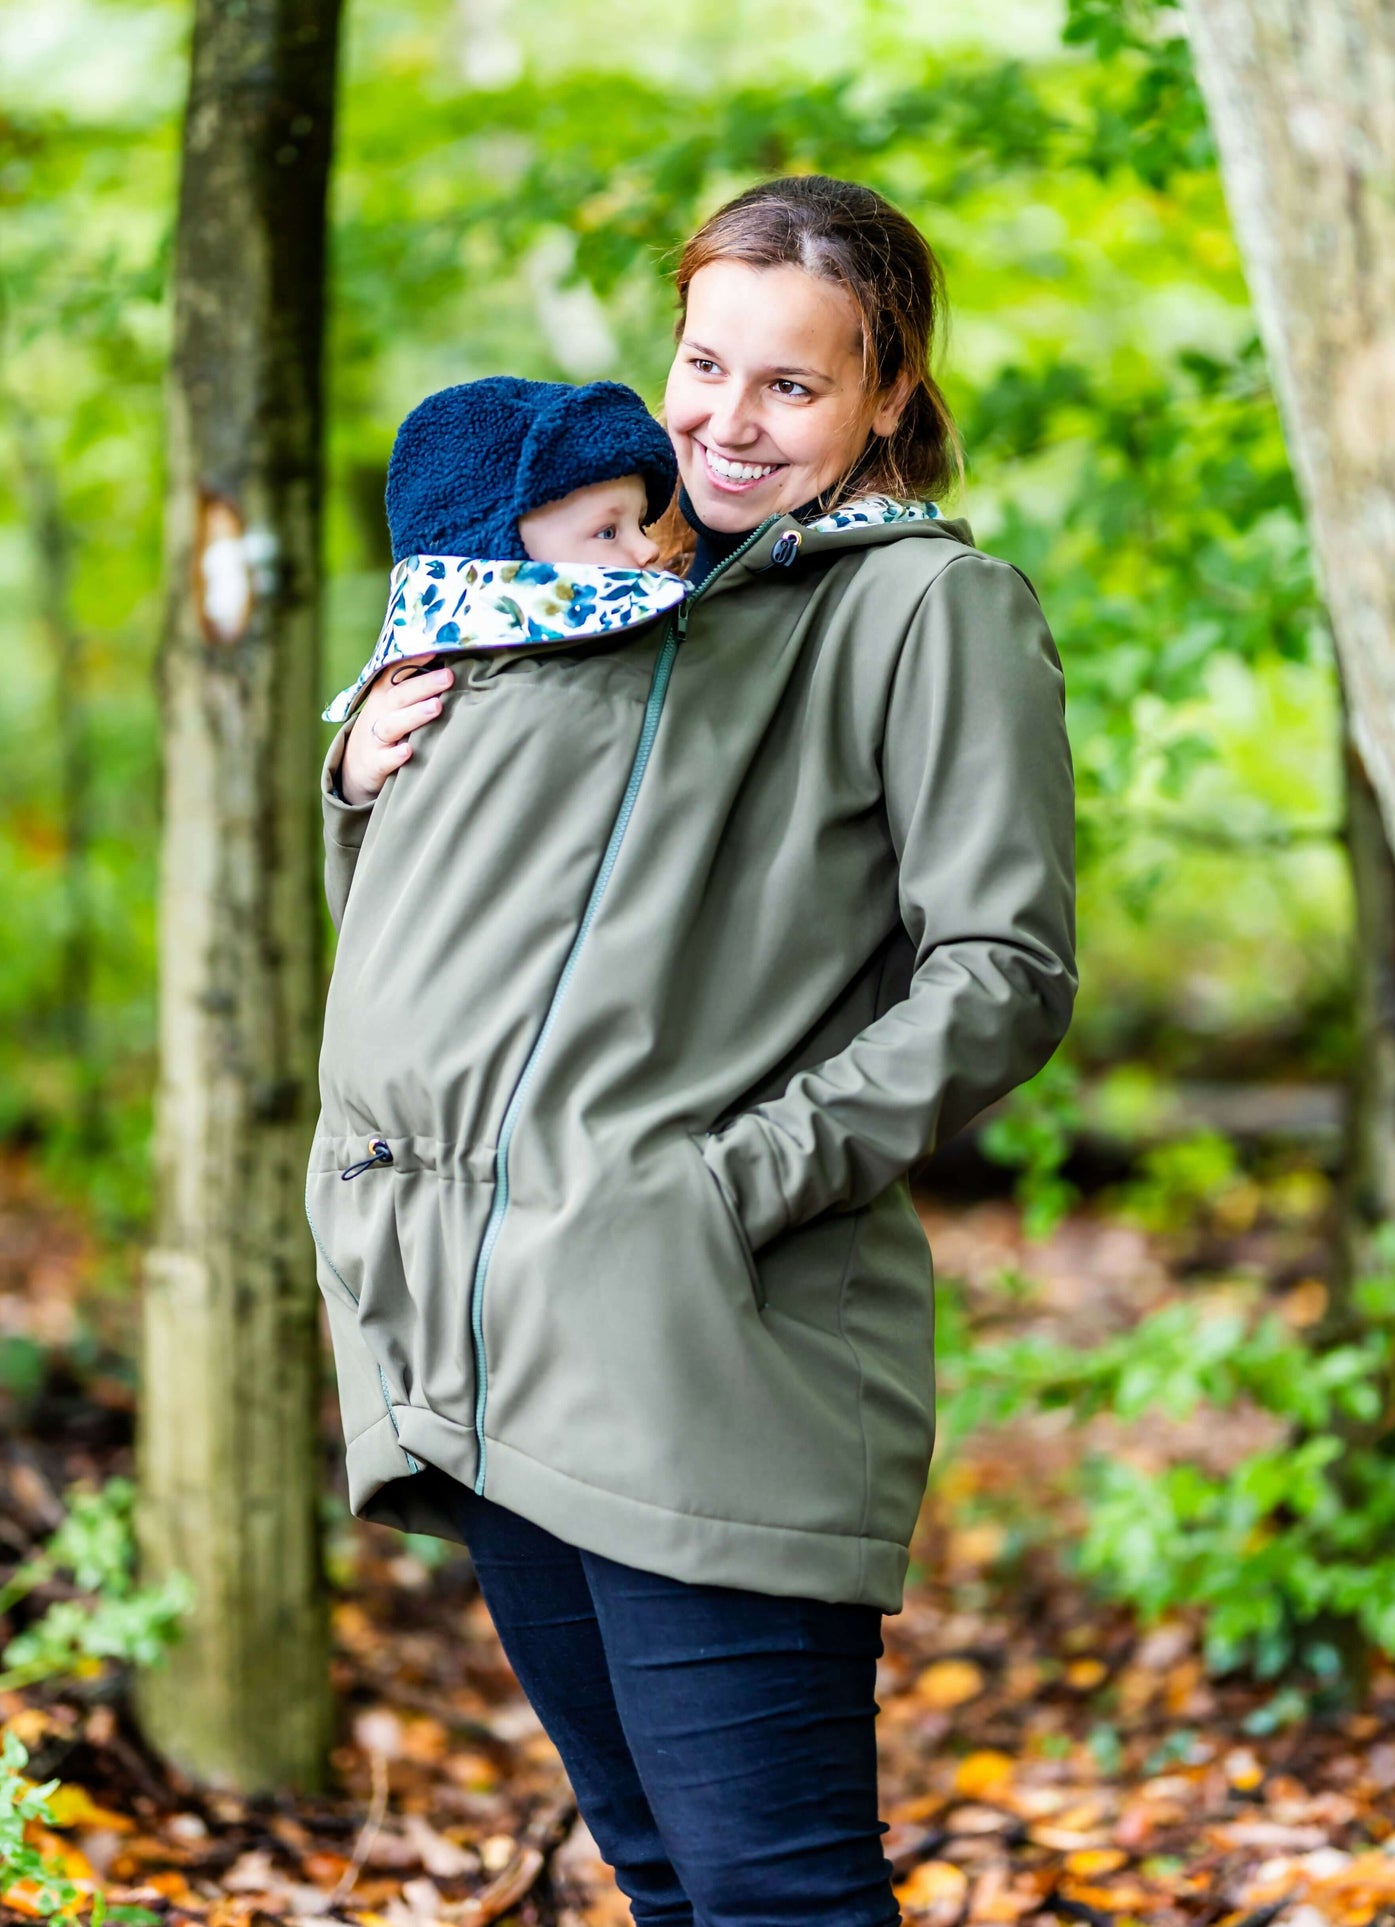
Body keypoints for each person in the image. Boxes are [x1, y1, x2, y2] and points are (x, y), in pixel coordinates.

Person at [307, 174, 1077, 1926]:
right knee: (659, 1870)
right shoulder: (595, 579)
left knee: (772, 1889)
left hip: (713, 1329)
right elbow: (494, 918)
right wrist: (363, 778)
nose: (729, 424)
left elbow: (1005, 967)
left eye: (793, 386)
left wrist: (729, 1185)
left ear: (888, 394)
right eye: (703, 368)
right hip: (486, 1316)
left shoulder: (921, 612)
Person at [324, 374, 682, 804]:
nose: (646, 548)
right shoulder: (441, 704)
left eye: (641, 523)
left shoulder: (636, 671)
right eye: (607, 531)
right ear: (503, 562)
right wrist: (356, 787)